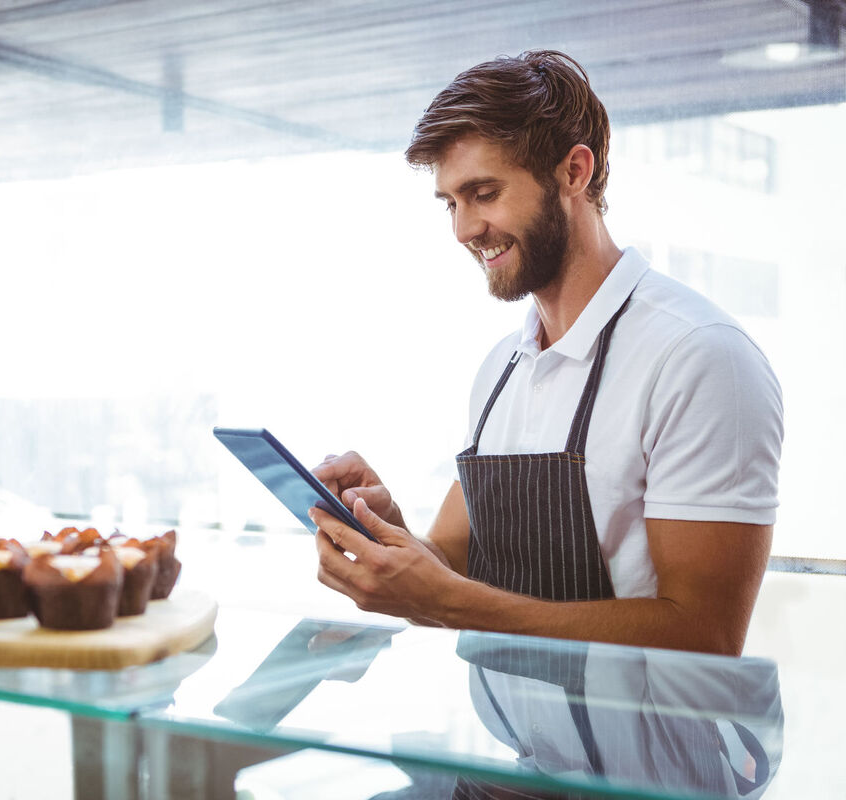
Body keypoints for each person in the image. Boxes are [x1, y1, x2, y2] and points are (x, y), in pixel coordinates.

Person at [310, 50, 782, 656]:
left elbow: (704, 638)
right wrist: (386, 532)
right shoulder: (503, 369)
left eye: (484, 192)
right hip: (523, 749)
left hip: (650, 750)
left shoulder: (699, 358)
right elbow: (451, 569)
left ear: (575, 172)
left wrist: (445, 599)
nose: (463, 229)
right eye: (451, 203)